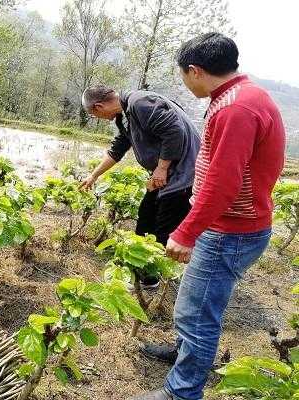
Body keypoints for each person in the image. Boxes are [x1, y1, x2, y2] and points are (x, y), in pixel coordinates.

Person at [130, 33, 285, 400]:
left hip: (230, 229)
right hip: (232, 224)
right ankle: (184, 354)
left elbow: (223, 179)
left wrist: (187, 231)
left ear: (195, 71)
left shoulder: (235, 108)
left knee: (198, 313)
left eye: (184, 75)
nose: (184, 82)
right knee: (193, 303)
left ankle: (182, 392)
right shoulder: (242, 96)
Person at [80, 83, 201, 288]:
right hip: (165, 174)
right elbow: (117, 149)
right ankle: (142, 271)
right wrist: (93, 176)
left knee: (163, 227)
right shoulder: (124, 116)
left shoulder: (140, 103)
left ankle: (152, 278)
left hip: (183, 174)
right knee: (146, 216)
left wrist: (161, 168)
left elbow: (175, 132)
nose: (96, 118)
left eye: (93, 114)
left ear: (98, 107)